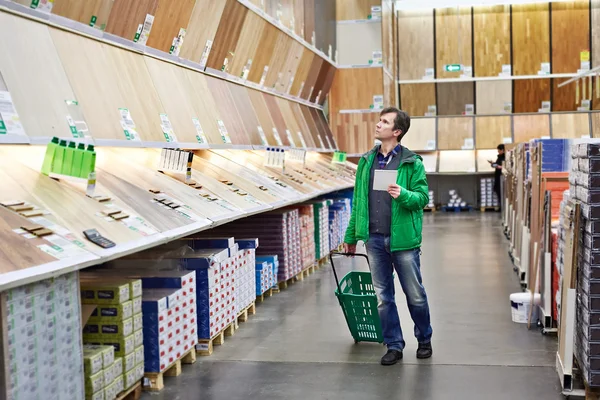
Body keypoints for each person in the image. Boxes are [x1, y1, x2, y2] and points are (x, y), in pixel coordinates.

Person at [343, 107, 433, 366]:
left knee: (414, 294)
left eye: (385, 122)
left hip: (403, 241)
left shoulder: (411, 162)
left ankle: (424, 339)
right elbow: (358, 202)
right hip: (374, 239)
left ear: (397, 131)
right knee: (383, 297)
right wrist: (351, 237)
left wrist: (402, 194)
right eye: (379, 120)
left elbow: (422, 199)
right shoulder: (367, 161)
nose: (378, 124)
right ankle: (394, 344)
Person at [488, 144, 505, 209]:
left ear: (502, 150)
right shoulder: (499, 157)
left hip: (501, 177)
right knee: (498, 190)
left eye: (499, 150)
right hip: (498, 176)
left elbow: (503, 166)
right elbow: (498, 164)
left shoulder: (504, 157)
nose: (498, 152)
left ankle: (502, 207)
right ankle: (501, 206)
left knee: (501, 191)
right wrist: (493, 163)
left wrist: (497, 166)